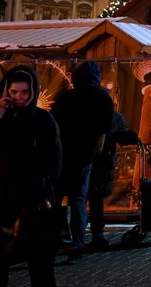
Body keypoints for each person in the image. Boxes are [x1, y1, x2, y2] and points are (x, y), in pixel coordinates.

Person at [0, 66, 62, 287]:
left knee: (40, 265)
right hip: (1, 204)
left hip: (34, 203)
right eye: (14, 91)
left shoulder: (42, 119)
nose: (19, 97)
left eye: (24, 92)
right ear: (5, 91)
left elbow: (53, 161)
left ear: (33, 92)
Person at [50, 62, 114, 260]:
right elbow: (105, 130)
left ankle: (55, 240)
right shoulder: (103, 98)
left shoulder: (66, 97)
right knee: (78, 200)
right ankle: (77, 243)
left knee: (57, 199)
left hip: (62, 155)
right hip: (85, 156)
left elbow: (54, 125)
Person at [87, 109, 138, 250]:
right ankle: (96, 237)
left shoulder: (75, 108)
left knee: (78, 200)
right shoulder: (112, 115)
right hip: (101, 164)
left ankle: (73, 237)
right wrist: (132, 136)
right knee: (95, 201)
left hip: (80, 162)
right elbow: (122, 137)